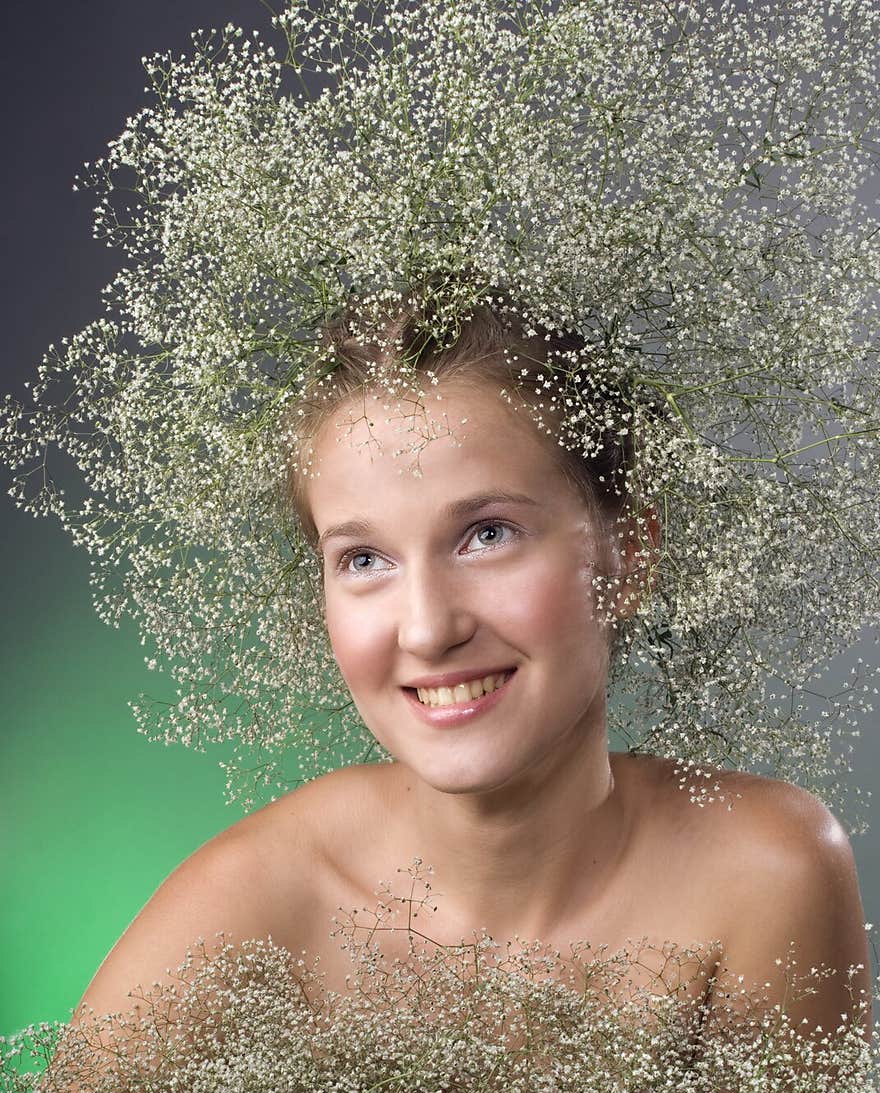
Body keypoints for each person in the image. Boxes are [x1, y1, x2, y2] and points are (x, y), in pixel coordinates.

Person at [67, 287, 873, 1048]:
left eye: (487, 534)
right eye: (364, 558)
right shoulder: (259, 901)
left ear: (628, 557)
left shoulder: (765, 878)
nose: (426, 628)